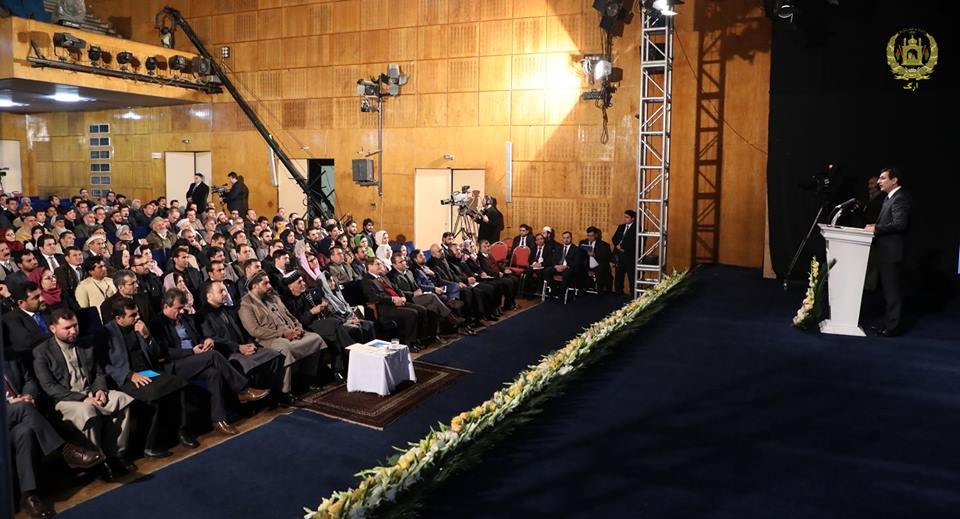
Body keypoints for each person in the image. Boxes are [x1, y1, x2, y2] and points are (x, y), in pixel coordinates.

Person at [32, 309, 136, 481]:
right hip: (65, 399)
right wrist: (83, 398)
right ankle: (98, 461)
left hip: (91, 392)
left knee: (121, 399)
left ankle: (116, 454)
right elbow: (49, 387)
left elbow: (98, 373)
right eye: (67, 328)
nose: (73, 331)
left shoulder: (85, 343)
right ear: (53, 329)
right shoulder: (42, 351)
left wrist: (100, 390)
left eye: (75, 326)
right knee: (87, 411)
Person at [4, 350, 105, 518]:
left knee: (25, 432)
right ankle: (67, 451)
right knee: (22, 408)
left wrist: (28, 396)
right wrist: (10, 403)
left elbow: (29, 381)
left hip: (19, 422)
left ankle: (28, 496)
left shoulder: (10, 357)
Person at [98, 298, 192, 457]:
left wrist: (147, 336)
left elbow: (157, 353)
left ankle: (181, 431)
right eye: (132, 315)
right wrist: (129, 375)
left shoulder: (140, 326)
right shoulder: (105, 333)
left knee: (178, 383)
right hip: (126, 378)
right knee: (152, 393)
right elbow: (103, 365)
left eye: (137, 313)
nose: (137, 317)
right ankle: (149, 445)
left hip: (147, 372)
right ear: (119, 318)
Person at [238, 271, 325, 402]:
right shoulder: (245, 304)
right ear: (255, 286)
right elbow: (254, 330)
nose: (269, 286)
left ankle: (308, 379)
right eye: (265, 283)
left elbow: (290, 316)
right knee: (285, 348)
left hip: (290, 331)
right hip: (269, 339)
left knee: (315, 338)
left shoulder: (273, 297)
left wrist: (298, 327)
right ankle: (284, 392)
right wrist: (283, 334)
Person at [198, 280, 285, 401]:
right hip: (227, 353)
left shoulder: (228, 310)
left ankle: (271, 395)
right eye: (221, 291)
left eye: (225, 290)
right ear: (209, 296)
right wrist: (238, 348)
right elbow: (213, 339)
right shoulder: (202, 316)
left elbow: (243, 330)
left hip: (244, 347)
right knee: (246, 364)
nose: (225, 293)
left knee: (274, 355)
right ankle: (252, 401)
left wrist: (249, 343)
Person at [864, 167, 911, 336]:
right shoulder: (889, 198)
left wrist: (876, 228)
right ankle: (887, 323)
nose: (878, 181)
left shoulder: (900, 197)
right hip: (884, 251)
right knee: (887, 291)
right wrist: (875, 226)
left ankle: (892, 327)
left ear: (894, 180)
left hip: (892, 253)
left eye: (883, 178)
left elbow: (900, 224)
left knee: (892, 292)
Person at [361, 257, 435, 348]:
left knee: (422, 310)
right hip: (386, 307)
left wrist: (402, 297)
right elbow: (374, 297)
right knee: (412, 313)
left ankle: (421, 338)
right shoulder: (367, 280)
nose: (381, 266)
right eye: (378, 264)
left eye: (380, 264)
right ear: (370, 266)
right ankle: (410, 343)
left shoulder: (382, 276)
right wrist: (393, 299)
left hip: (399, 301)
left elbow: (396, 288)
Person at [1, 281, 52, 355]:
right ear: (21, 303)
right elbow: (27, 342)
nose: (42, 299)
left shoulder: (47, 310)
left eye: (41, 294)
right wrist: (55, 332)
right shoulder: (11, 318)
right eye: (36, 297)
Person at [75, 256, 117, 322]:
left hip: (116, 318)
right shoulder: (82, 286)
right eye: (100, 267)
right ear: (91, 271)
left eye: (104, 266)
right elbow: (84, 311)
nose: (105, 269)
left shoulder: (111, 281)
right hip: (99, 321)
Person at [611, 209, 638, 295]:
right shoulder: (621, 227)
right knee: (619, 276)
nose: (625, 219)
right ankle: (618, 293)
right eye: (625, 217)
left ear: (633, 218)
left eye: (627, 217)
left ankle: (633, 295)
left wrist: (623, 247)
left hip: (629, 256)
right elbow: (614, 238)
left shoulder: (637, 228)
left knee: (631, 277)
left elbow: (634, 242)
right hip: (619, 255)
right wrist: (617, 245)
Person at [580, 226, 613, 293]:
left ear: (596, 235)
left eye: (591, 236)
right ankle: (581, 290)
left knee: (602, 268)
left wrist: (594, 255)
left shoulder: (604, 245)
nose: (589, 238)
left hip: (598, 266)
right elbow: (580, 255)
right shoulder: (583, 242)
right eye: (588, 235)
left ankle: (600, 291)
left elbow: (606, 258)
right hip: (587, 265)